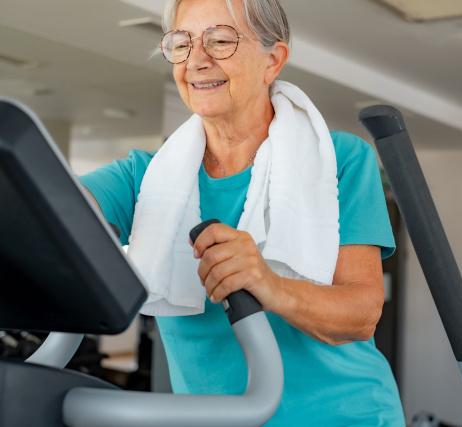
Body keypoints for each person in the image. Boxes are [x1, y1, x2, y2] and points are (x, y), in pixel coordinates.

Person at [80, 0, 404, 424]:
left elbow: (362, 313)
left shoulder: (338, 160)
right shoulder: (144, 178)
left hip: (344, 415)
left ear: (273, 60)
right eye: (182, 43)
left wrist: (267, 282)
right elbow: (51, 207)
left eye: (219, 40)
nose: (196, 60)